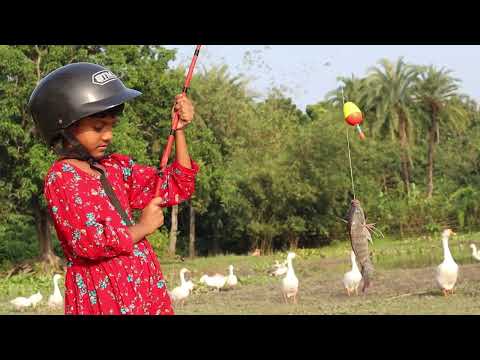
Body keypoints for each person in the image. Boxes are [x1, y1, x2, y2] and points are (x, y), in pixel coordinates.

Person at [28, 62, 199, 315]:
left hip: (143, 285)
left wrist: (180, 131)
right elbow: (87, 242)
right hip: (102, 294)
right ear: (64, 127)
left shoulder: (116, 168)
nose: (108, 135)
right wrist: (142, 227)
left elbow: (176, 185)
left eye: (110, 126)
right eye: (98, 127)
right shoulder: (62, 178)